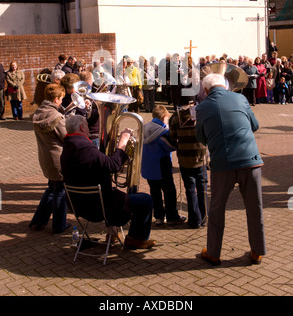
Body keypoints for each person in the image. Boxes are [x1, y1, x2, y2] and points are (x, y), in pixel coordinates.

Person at [195, 73, 266, 266]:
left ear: (206, 90)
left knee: (217, 209)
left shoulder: (201, 107)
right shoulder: (241, 98)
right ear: (225, 85)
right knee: (255, 208)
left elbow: (201, 138)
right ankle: (257, 251)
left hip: (223, 164)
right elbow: (255, 125)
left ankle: (213, 253)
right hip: (250, 161)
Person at [60, 115, 155, 250]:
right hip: (100, 207)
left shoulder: (69, 146)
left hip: (79, 205)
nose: (89, 129)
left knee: (122, 196)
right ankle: (136, 239)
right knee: (146, 200)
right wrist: (123, 142)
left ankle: (114, 233)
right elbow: (114, 165)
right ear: (82, 127)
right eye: (87, 125)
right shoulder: (84, 148)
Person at [29, 84, 70, 233]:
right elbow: (66, 137)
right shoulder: (57, 117)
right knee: (60, 191)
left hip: (45, 157)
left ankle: (39, 220)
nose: (62, 102)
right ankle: (59, 225)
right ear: (56, 99)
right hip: (58, 158)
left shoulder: (38, 112)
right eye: (61, 99)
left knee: (51, 189)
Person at [141, 105, 186, 225]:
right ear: (163, 117)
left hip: (148, 165)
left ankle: (159, 217)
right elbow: (170, 146)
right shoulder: (162, 132)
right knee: (169, 191)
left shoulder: (145, 128)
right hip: (161, 164)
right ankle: (172, 216)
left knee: (154, 192)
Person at [169, 102, 207, 228]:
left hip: (185, 157)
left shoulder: (175, 116)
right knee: (202, 189)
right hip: (200, 157)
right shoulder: (201, 113)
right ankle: (204, 217)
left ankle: (194, 220)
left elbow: (172, 138)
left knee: (190, 189)